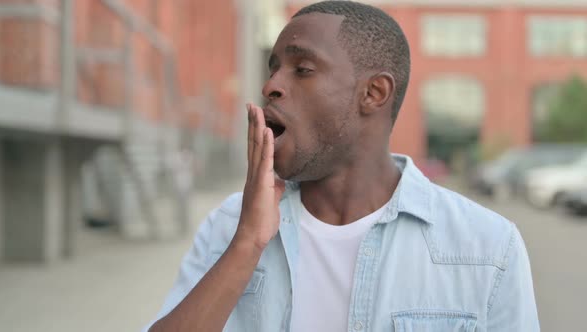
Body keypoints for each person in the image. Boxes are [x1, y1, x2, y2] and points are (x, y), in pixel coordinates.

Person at [145, 1, 539, 331]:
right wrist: (247, 243)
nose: (270, 86)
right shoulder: (229, 225)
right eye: (273, 68)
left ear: (373, 93)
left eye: (302, 69)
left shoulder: (487, 247)